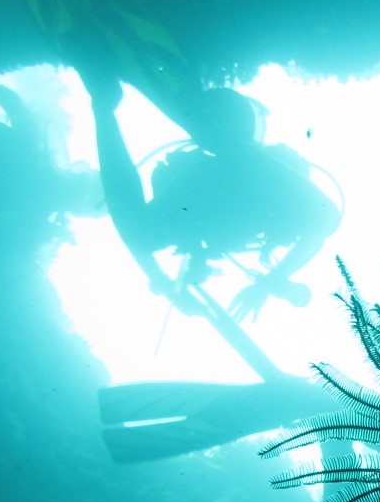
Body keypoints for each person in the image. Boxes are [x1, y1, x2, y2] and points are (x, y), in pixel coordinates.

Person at [76, 57, 341, 323]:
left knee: (140, 235)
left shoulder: (286, 203)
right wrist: (272, 280)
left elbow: (317, 233)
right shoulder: (282, 193)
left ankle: (104, 106)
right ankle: (105, 106)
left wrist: (269, 280)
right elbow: (318, 230)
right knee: (140, 235)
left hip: (225, 190)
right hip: (220, 185)